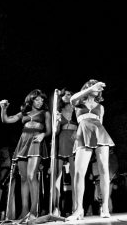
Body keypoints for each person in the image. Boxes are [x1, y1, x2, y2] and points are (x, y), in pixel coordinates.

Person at [66, 79, 115, 220]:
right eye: (91, 86)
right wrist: (91, 88)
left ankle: (105, 208)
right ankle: (78, 209)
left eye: (96, 87)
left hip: (100, 134)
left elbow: (101, 123)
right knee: (79, 172)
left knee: (104, 170)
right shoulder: (78, 103)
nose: (94, 88)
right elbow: (73, 98)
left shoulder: (100, 106)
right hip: (83, 133)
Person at [0, 89, 51, 221]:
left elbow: (50, 131)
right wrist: (3, 108)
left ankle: (33, 212)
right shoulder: (24, 113)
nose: (40, 102)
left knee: (31, 175)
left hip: (36, 142)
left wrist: (43, 135)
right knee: (23, 178)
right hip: (23, 143)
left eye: (42, 100)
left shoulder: (45, 113)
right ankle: (24, 211)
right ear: (31, 99)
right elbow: (6, 120)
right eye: (37, 99)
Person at [53, 88, 78, 216]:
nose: (69, 96)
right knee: (56, 176)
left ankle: (76, 207)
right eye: (66, 94)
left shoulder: (77, 108)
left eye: (70, 94)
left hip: (75, 141)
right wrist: (57, 123)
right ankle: (56, 207)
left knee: (75, 177)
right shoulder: (58, 111)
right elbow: (55, 132)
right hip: (62, 140)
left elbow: (83, 123)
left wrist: (77, 131)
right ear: (61, 97)